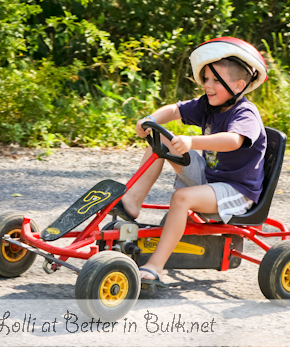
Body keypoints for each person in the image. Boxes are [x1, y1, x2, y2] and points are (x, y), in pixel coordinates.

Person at [111, 37, 269, 286]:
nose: (208, 85)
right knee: (160, 139)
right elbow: (174, 110)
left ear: (239, 85)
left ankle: (155, 266)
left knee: (181, 199)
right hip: (210, 177)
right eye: (206, 79)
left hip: (236, 191)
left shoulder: (245, 113)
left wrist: (193, 142)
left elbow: (234, 140)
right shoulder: (209, 105)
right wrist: (150, 118)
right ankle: (132, 202)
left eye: (216, 80)